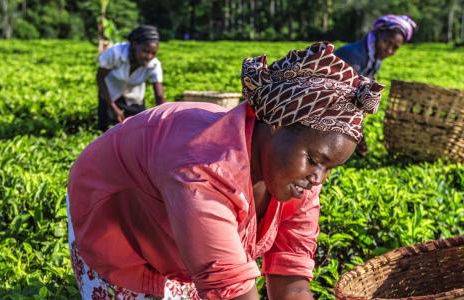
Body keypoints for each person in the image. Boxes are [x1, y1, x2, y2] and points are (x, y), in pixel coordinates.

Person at [67, 42, 384, 299]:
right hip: (117, 214)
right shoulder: (202, 170)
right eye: (315, 160)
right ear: (276, 124)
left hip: (177, 211)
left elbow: (291, 278)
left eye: (329, 168)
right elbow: (230, 290)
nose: (318, 179)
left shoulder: (299, 177)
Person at [334, 15, 417, 157]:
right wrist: (357, 134)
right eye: (386, 42)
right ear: (378, 34)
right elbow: (340, 100)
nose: (389, 51)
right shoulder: (354, 55)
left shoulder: (375, 59)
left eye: (395, 48)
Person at [97, 25, 166, 131]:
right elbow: (100, 78)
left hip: (134, 98)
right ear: (134, 45)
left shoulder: (154, 64)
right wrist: (113, 108)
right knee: (107, 131)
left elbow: (159, 96)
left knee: (136, 130)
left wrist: (163, 119)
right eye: (145, 51)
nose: (149, 57)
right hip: (110, 95)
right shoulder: (115, 53)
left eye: (153, 53)